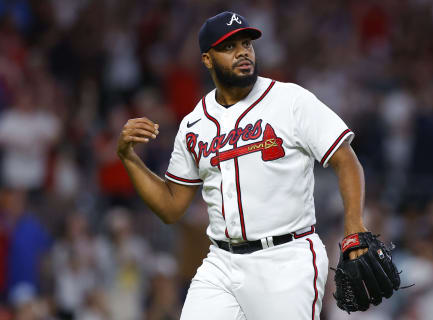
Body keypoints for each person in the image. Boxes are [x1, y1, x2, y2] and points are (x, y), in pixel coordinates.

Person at [117, 11, 368, 320]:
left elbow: (346, 160)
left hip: (285, 259)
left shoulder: (290, 100)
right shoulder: (194, 124)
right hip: (221, 261)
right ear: (207, 60)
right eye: (229, 47)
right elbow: (170, 207)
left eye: (246, 44)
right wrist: (129, 158)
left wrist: (354, 226)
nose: (242, 52)